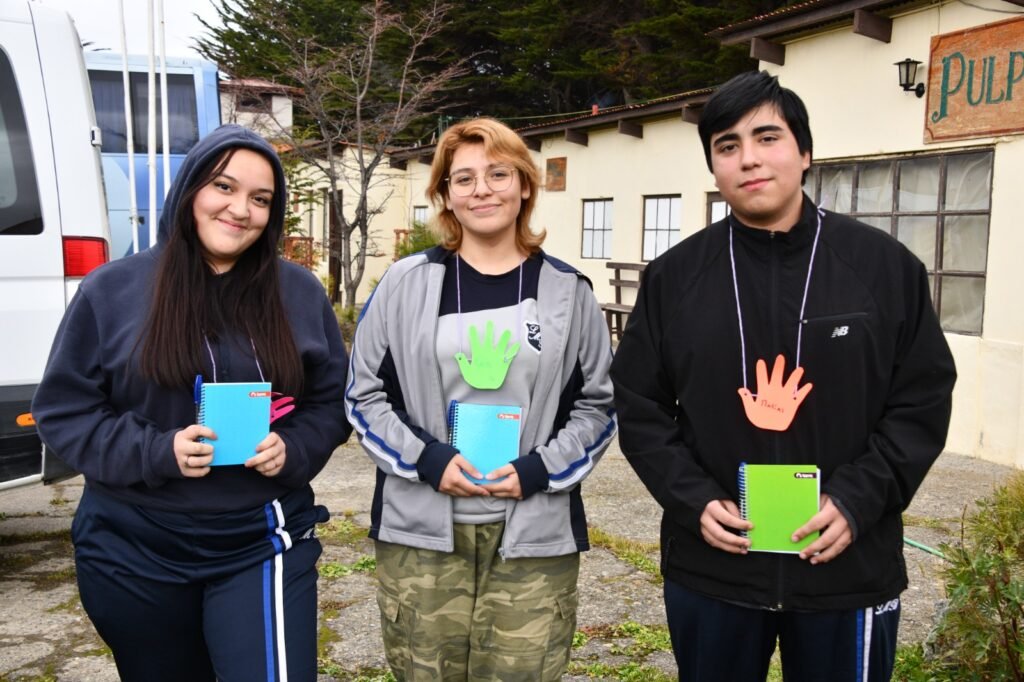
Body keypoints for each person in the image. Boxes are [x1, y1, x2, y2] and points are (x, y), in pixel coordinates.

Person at [610, 71, 956, 682]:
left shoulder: (882, 267)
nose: (749, 159)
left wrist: (858, 499)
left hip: (847, 565)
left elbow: (921, 400)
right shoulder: (674, 277)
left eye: (767, 137)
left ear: (804, 152)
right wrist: (692, 500)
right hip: (715, 564)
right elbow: (639, 406)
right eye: (727, 145)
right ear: (714, 169)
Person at [32, 124, 351, 682]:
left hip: (259, 538)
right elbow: (64, 410)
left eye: (260, 199)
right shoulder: (112, 290)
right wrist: (156, 451)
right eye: (223, 187)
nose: (240, 209)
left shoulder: (298, 293)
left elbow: (331, 402)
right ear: (189, 191)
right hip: (132, 544)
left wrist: (294, 447)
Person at [345, 117, 617, 681]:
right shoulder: (403, 284)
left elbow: (598, 405)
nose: (482, 189)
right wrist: (428, 460)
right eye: (463, 178)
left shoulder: (569, 292)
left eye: (498, 173)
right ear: (444, 194)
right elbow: (364, 395)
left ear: (524, 185)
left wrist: (540, 469)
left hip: (533, 533)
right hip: (422, 530)